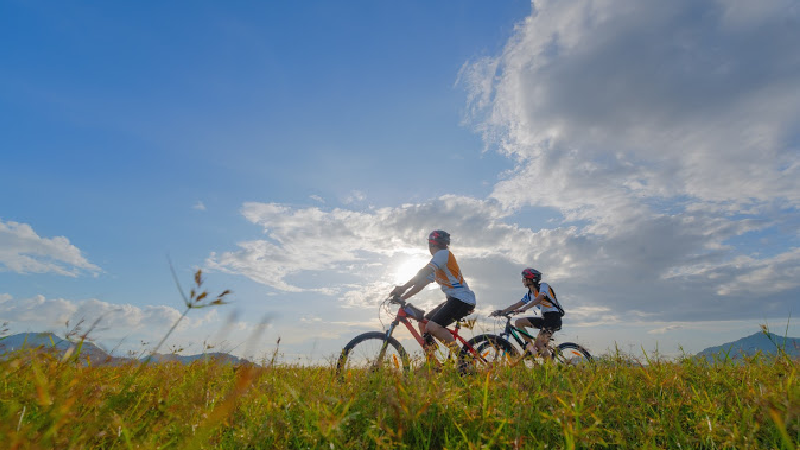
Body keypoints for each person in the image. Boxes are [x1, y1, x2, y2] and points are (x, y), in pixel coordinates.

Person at [390, 230, 476, 361]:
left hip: (462, 300)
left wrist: (403, 287)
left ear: (432, 245)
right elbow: (421, 283)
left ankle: (463, 359)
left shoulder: (443, 255)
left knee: (432, 327)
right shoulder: (439, 263)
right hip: (454, 300)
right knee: (423, 324)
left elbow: (424, 273)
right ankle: (432, 363)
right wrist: (403, 297)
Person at [491, 268, 563, 359]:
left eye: (524, 278)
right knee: (518, 322)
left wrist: (525, 308)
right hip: (544, 317)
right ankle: (531, 348)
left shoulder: (543, 286)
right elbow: (518, 304)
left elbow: (539, 299)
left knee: (540, 346)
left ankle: (551, 367)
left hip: (554, 317)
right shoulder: (530, 293)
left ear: (531, 279)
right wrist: (501, 312)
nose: (522, 281)